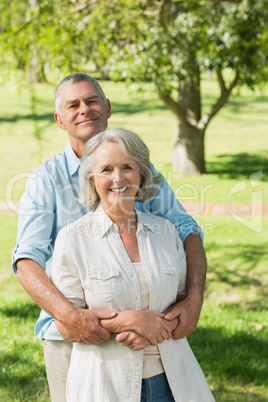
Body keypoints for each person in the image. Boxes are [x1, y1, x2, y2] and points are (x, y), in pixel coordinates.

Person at [12, 73, 207, 401]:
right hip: (73, 337)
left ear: (107, 107)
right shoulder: (46, 180)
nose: (84, 110)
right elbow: (26, 259)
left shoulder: (137, 171)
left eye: (91, 101)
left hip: (152, 338)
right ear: (60, 120)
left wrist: (194, 299)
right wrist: (72, 317)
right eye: (73, 105)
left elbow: (186, 230)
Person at [50, 127, 214, 402]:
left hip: (173, 383)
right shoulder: (73, 239)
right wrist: (129, 321)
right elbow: (66, 326)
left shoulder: (166, 232)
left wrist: (152, 332)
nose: (118, 178)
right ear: (92, 179)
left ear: (141, 174)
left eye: (127, 167)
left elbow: (184, 306)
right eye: (106, 169)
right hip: (104, 387)